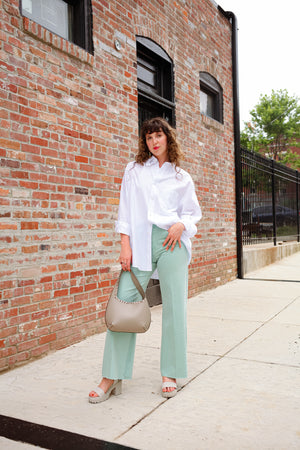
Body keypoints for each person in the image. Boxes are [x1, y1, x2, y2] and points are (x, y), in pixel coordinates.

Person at [88, 117, 202, 403]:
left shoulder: (181, 177)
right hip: (138, 243)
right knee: (124, 304)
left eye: (158, 136)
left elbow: (192, 213)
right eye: (149, 137)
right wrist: (124, 244)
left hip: (171, 242)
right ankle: (111, 377)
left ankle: (171, 373)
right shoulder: (134, 170)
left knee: (175, 308)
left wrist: (181, 226)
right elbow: (125, 210)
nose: (154, 141)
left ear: (168, 138)